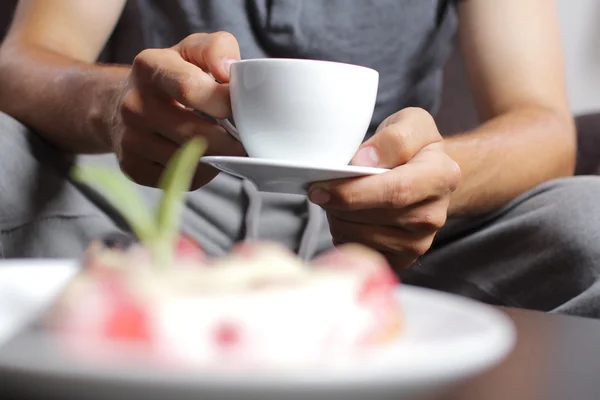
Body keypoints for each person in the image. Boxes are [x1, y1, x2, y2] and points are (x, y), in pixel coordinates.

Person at [0, 0, 599, 317]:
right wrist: (111, 104)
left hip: (398, 239)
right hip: (166, 205)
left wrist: (432, 178)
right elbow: (24, 57)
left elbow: (542, 122)